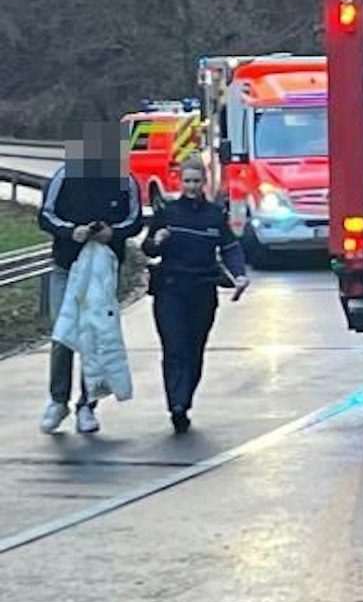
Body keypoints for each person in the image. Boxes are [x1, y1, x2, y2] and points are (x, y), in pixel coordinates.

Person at [37, 120, 144, 435]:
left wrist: (113, 233)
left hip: (104, 270)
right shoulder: (65, 177)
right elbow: (45, 215)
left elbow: (135, 220)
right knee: (64, 333)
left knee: (94, 335)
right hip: (66, 268)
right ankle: (58, 400)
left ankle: (87, 404)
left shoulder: (124, 181)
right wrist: (72, 232)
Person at [141, 157, 249, 433]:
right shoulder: (168, 213)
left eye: (196, 181)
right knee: (175, 348)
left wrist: (239, 275)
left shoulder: (214, 215)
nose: (191, 186)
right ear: (180, 182)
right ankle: (176, 405)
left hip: (202, 289)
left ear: (203, 182)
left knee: (194, 349)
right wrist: (158, 241)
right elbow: (148, 248)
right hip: (171, 289)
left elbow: (229, 248)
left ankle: (185, 399)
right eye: (187, 181)